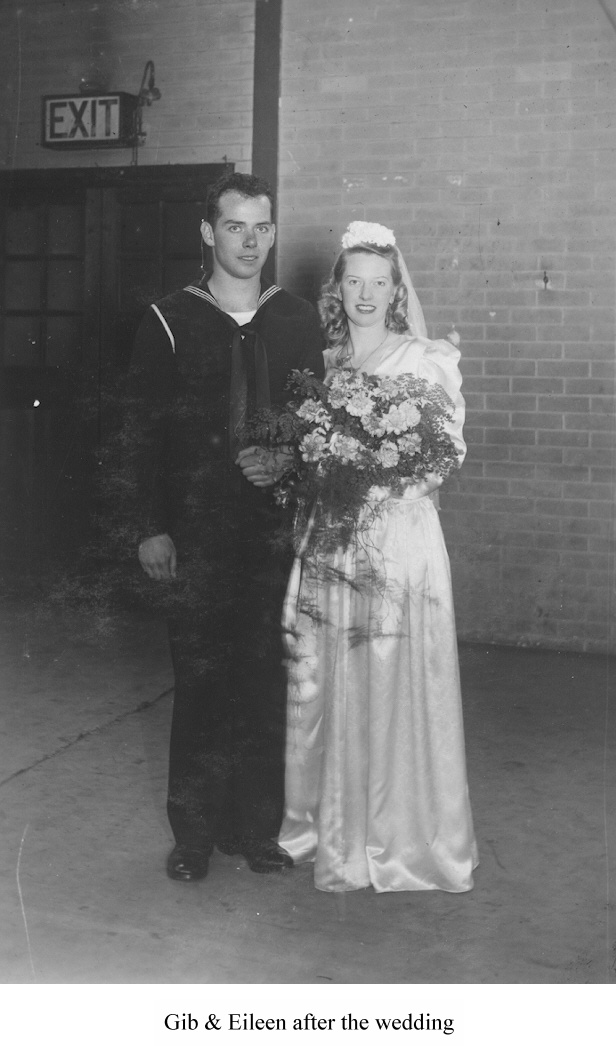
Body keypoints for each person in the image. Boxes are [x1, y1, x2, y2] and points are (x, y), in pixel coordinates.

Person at [124, 172, 324, 881]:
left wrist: (289, 459)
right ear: (208, 232)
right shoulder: (169, 319)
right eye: (235, 226)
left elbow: (315, 425)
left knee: (265, 680)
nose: (249, 242)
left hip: (272, 530)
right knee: (203, 681)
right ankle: (195, 836)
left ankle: (256, 829)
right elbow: (140, 433)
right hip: (196, 530)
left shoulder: (296, 319)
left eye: (261, 227)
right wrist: (150, 526)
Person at [278, 221, 479, 893]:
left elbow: (447, 452)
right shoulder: (325, 363)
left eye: (379, 282)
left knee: (394, 676)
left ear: (397, 290)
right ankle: (328, 828)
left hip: (396, 540)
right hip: (333, 537)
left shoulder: (424, 358)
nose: (366, 295)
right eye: (354, 282)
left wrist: (380, 478)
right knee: (326, 677)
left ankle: (399, 838)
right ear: (337, 289)